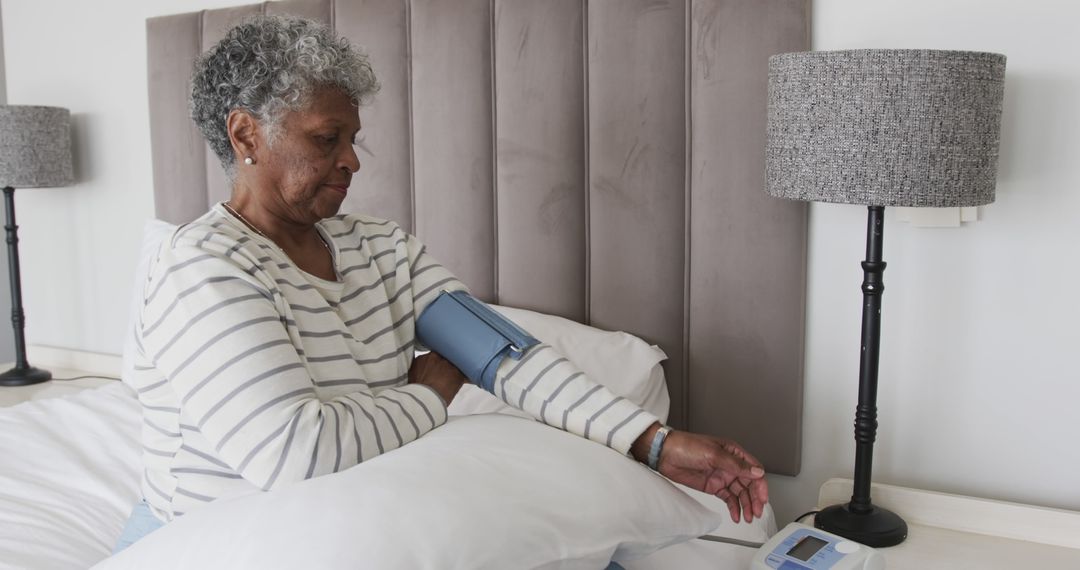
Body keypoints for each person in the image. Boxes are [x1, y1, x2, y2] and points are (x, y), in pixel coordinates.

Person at [118, 14, 767, 553]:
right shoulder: (202, 269)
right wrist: (426, 395)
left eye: (353, 139)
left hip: (358, 530)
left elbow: (505, 358)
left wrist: (654, 443)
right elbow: (296, 454)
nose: (351, 161)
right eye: (327, 138)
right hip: (205, 543)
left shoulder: (377, 248)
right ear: (245, 134)